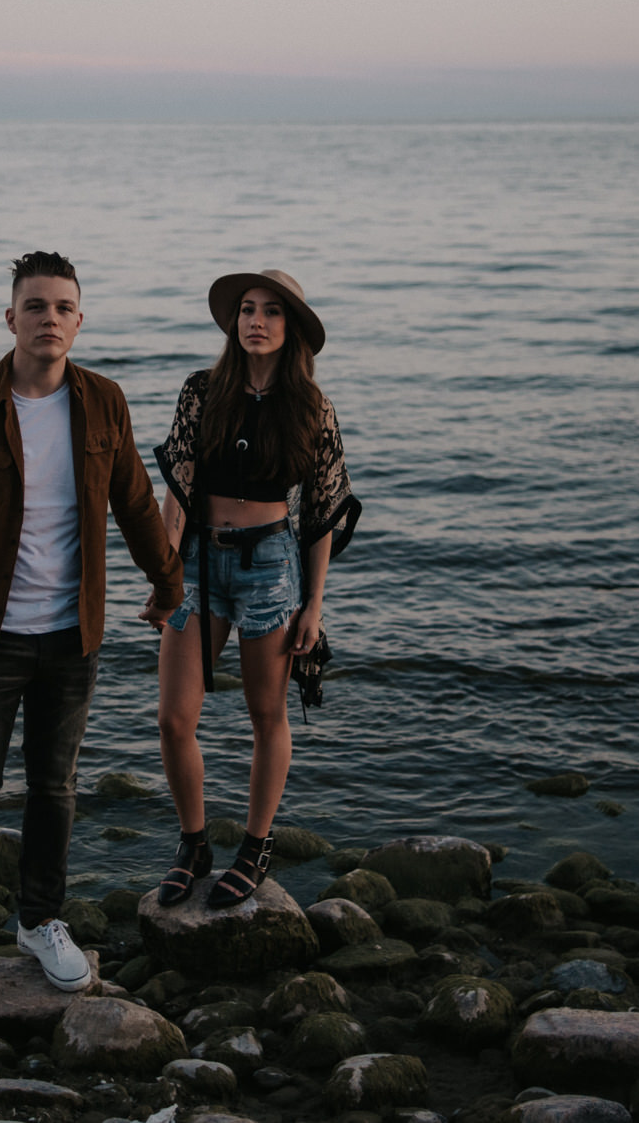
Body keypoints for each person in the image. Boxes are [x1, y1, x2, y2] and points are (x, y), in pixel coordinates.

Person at [0, 250, 185, 1017]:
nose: (49, 319)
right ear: (10, 318)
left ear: (79, 319)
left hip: (72, 636)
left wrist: (168, 584)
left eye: (63, 307)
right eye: (35, 306)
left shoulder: (103, 402)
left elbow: (134, 500)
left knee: (56, 788)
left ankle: (38, 920)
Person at [149, 269, 360, 909]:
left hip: (272, 565)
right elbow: (178, 487)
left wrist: (314, 607)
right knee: (174, 717)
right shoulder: (201, 391)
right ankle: (193, 843)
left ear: (290, 326)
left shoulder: (312, 408)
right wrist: (164, 578)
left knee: (265, 715)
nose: (256, 321)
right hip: (200, 564)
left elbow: (322, 513)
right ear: (233, 321)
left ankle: (256, 845)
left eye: (271, 311)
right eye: (247, 309)